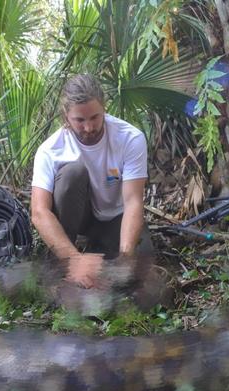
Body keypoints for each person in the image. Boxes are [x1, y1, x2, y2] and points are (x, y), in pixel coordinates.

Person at [31, 74, 152, 288]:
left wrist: (126, 255)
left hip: (116, 218)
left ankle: (101, 250)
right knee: (72, 174)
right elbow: (40, 212)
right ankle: (64, 260)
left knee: (139, 272)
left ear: (104, 107)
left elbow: (133, 201)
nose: (89, 127)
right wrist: (73, 259)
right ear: (66, 116)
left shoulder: (130, 138)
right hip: (80, 221)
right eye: (79, 120)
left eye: (95, 117)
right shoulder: (50, 150)